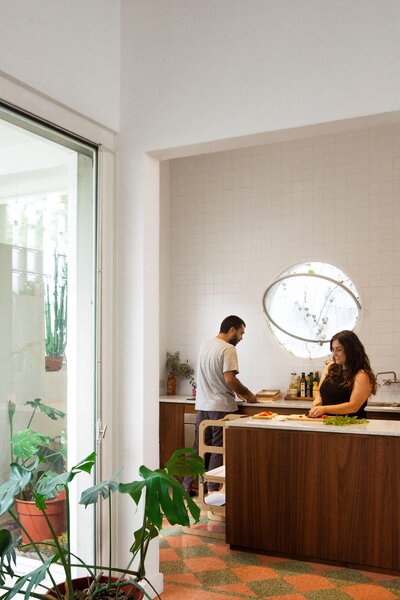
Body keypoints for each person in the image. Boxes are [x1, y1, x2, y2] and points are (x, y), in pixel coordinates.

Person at [184, 315, 257, 495]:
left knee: (198, 447)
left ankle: (186, 485)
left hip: (202, 405)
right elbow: (229, 379)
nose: (241, 337)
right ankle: (213, 488)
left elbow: (213, 376)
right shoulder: (228, 348)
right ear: (232, 330)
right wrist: (247, 394)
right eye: (241, 333)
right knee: (218, 449)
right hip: (220, 407)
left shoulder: (205, 345)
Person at [308, 330, 377, 419]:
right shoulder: (330, 368)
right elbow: (318, 390)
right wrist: (318, 398)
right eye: (333, 349)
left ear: (351, 350)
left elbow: (353, 406)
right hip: (325, 422)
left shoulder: (362, 375)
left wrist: (324, 409)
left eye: (339, 350)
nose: (334, 354)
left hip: (351, 425)